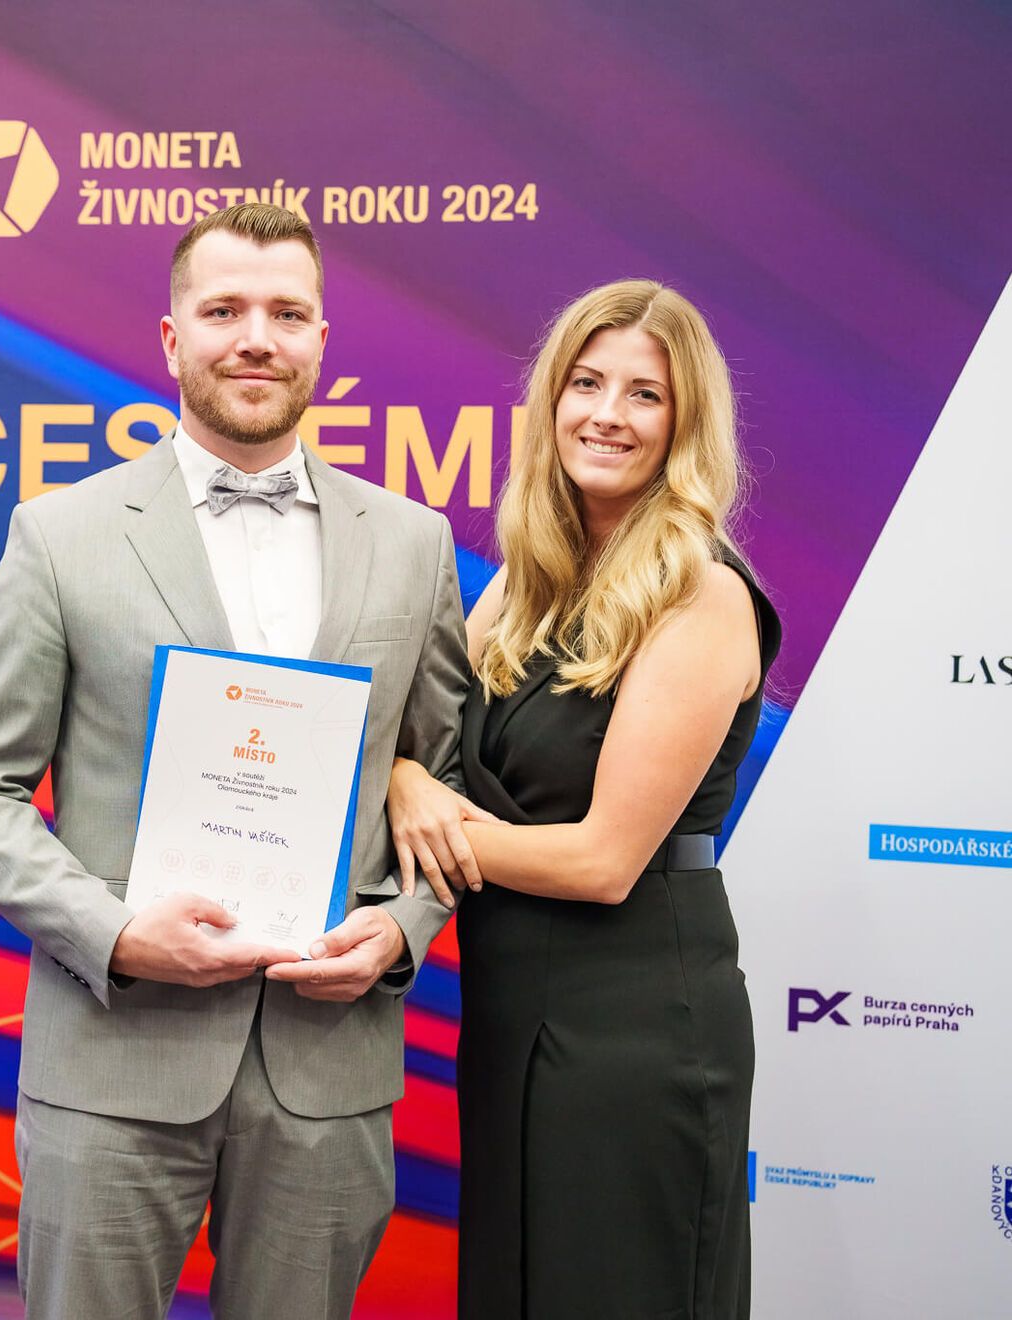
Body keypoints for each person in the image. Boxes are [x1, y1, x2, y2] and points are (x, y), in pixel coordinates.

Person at [0, 202, 468, 1318]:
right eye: (224, 311)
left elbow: (442, 782)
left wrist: (401, 931)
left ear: (323, 341)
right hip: (113, 1063)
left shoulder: (414, 545)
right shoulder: (61, 536)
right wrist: (117, 935)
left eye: (286, 314)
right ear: (173, 340)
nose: (256, 339)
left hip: (326, 1071)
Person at [386, 279, 778, 1319]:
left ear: (684, 424)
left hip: (636, 1023)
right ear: (551, 400)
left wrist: (423, 813)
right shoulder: (529, 582)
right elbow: (423, 743)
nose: (608, 414)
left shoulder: (701, 591)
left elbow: (604, 862)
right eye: (587, 383)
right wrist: (404, 780)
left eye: (645, 394)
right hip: (513, 1009)